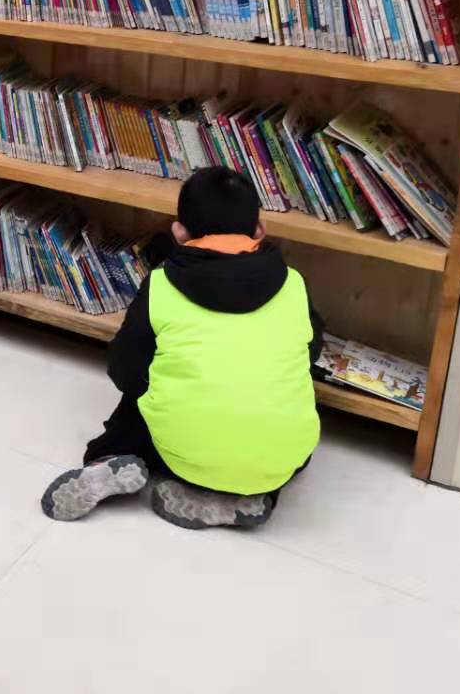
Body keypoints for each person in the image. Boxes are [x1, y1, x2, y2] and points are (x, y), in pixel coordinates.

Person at [41, 167, 324, 530]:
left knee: (137, 402)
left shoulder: (161, 286)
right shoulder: (294, 285)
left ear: (179, 232)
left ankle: (109, 458)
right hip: (281, 459)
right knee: (284, 427)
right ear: (259, 230)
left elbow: (123, 370)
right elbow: (310, 353)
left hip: (182, 453)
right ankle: (252, 493)